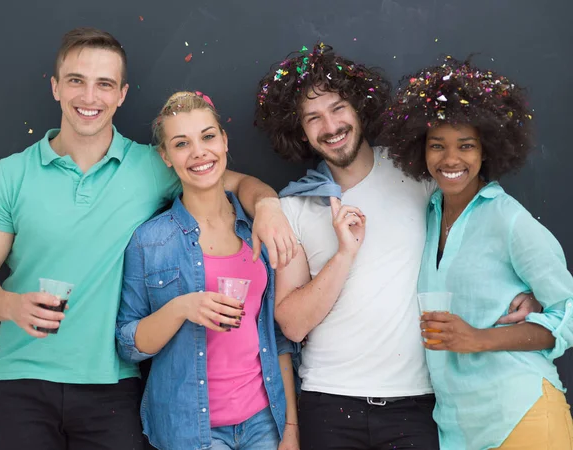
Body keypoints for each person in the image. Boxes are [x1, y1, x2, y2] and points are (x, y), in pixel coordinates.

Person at [0, 27, 297, 450]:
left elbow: (235, 181)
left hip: (113, 386)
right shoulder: (8, 176)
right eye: (76, 81)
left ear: (121, 94)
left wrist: (269, 206)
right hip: (23, 379)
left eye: (104, 84)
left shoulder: (153, 166)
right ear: (55, 87)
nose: (90, 97)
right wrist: (10, 305)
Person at [254, 44, 542, 450]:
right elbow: (293, 324)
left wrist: (526, 289)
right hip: (328, 399)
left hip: (417, 402)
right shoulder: (295, 207)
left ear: (359, 108)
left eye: (338, 109)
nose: (330, 125)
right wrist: (344, 254)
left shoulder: (418, 173)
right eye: (313, 118)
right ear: (300, 131)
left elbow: (489, 224)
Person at [377, 56, 573, 449]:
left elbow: (567, 314)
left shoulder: (509, 220)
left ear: (487, 151)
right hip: (457, 429)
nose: (451, 159)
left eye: (466, 146)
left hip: (521, 415)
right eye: (438, 146)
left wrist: (480, 338)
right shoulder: (429, 215)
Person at [115, 91, 300, 450]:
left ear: (224, 142)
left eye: (208, 136)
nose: (199, 152)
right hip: (189, 429)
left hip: (264, 421)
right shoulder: (149, 240)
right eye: (182, 143)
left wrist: (290, 427)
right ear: (165, 157)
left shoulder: (257, 229)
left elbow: (277, 339)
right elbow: (128, 344)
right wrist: (182, 308)